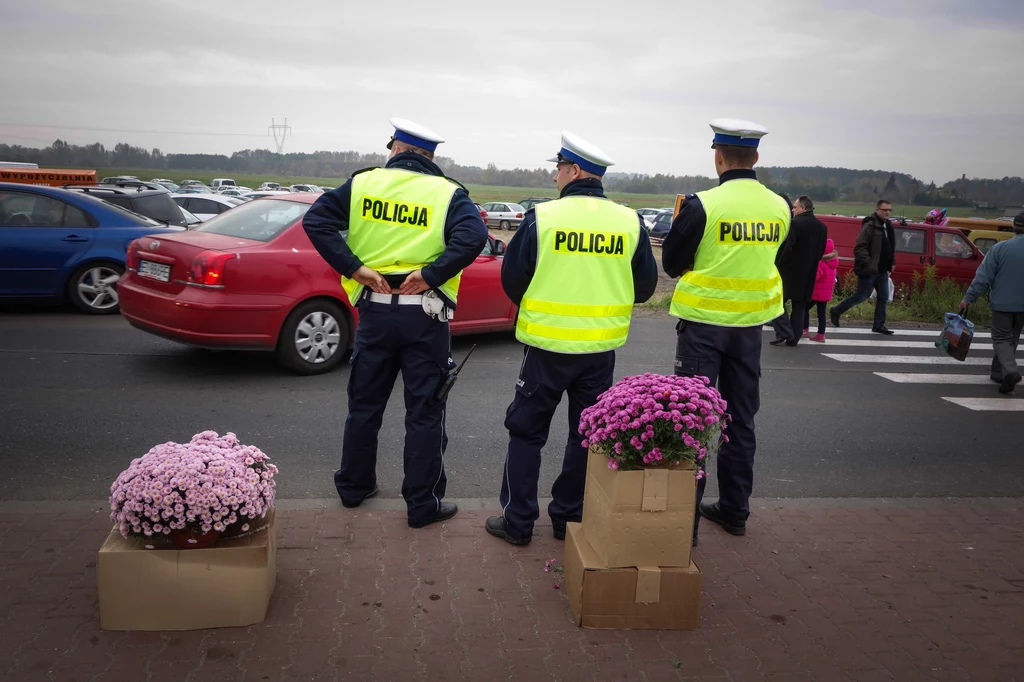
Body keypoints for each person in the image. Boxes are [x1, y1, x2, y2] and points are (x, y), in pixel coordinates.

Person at [302, 117, 488, 528]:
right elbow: (473, 238)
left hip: (374, 312)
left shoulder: (364, 184)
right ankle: (422, 506)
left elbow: (316, 222)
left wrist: (356, 268)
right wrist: (433, 274)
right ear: (429, 156)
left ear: (397, 150)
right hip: (424, 315)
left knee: (364, 406)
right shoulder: (448, 193)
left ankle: (353, 489)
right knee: (424, 412)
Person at [485, 132, 658, 545]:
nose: (554, 177)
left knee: (526, 431)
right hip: (599, 350)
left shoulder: (543, 218)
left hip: (545, 347)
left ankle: (518, 522)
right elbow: (646, 287)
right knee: (587, 434)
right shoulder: (628, 221)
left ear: (574, 171)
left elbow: (512, 280)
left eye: (557, 169)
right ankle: (568, 519)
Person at [662, 118, 791, 543]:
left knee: (692, 421)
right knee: (741, 420)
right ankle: (735, 510)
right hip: (750, 329)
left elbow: (673, 263)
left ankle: (686, 525)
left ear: (718, 156)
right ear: (755, 157)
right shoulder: (780, 206)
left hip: (703, 329)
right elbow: (776, 257)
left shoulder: (702, 205)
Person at [960, 210, 1024, 394]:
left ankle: (1010, 371)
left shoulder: (1000, 249)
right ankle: (998, 372)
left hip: (1002, 304)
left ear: (1014, 227)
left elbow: (983, 277)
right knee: (1012, 337)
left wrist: (968, 298)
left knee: (1002, 338)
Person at [829, 199, 896, 335]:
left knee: (883, 297)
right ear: (877, 210)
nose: (888, 212)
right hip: (869, 269)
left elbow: (890, 246)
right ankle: (836, 310)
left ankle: (879, 325)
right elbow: (860, 247)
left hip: (882, 269)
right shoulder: (870, 226)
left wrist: (892, 262)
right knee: (861, 295)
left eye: (890, 210)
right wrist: (869, 263)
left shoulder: (888, 226)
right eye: (885, 210)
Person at [769, 195, 828, 346]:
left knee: (777, 302)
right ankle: (794, 337)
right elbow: (821, 251)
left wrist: (778, 264)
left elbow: (788, 247)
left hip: (790, 271)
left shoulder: (795, 224)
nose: (793, 210)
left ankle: (783, 332)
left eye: (795, 207)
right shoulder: (822, 228)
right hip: (809, 272)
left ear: (803, 208)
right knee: (800, 306)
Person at [805, 238, 838, 342]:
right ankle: (821, 334)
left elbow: (816, 277)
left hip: (816, 293)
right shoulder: (833, 262)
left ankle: (804, 329)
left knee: (804, 309)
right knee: (821, 314)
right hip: (826, 294)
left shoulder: (821, 262)